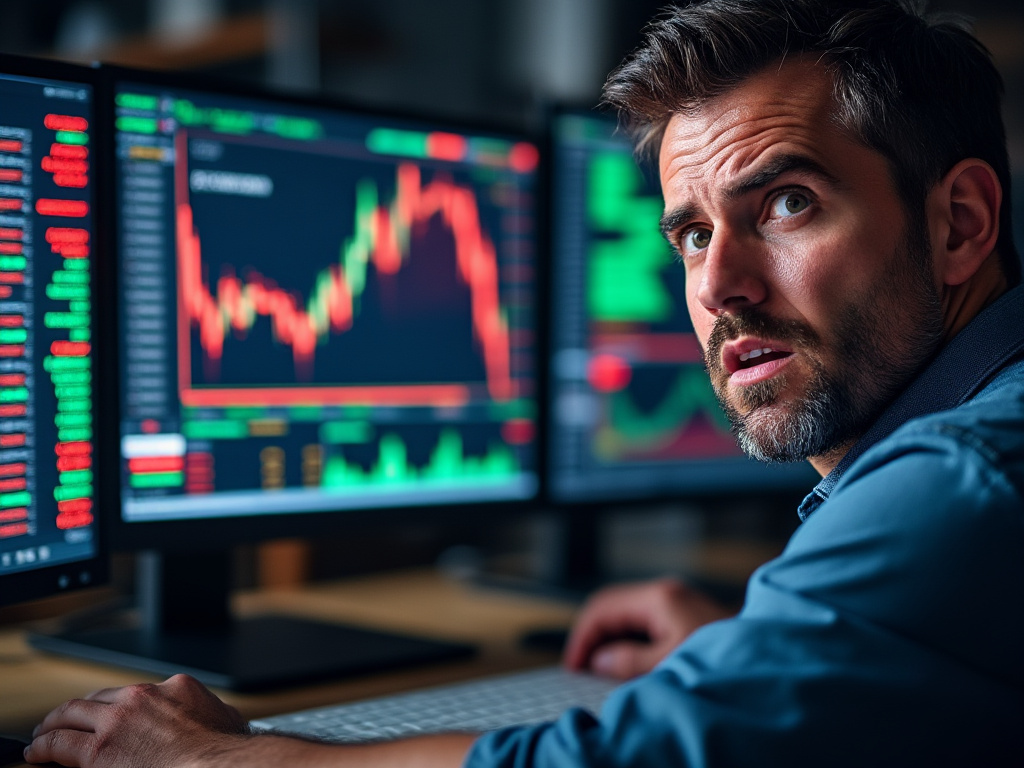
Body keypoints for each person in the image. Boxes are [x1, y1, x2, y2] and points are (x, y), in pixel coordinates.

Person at [25, 0, 1024, 765]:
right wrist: (775, 654)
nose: (717, 285)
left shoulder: (959, 478)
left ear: (960, 225)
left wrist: (226, 760)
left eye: (787, 203)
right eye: (691, 233)